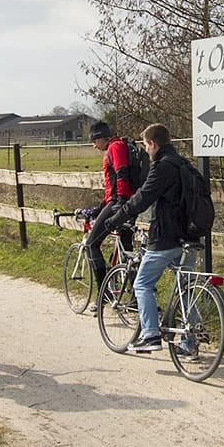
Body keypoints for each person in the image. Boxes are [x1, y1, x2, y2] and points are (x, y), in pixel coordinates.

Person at [97, 123, 191, 354]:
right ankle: (190, 341)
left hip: (167, 235)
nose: (146, 151)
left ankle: (150, 335)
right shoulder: (183, 163)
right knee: (186, 286)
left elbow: (142, 198)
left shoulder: (161, 167)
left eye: (146, 146)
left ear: (153, 144)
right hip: (191, 233)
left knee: (142, 283)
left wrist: (116, 219)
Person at [82, 120, 139, 316]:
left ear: (101, 138)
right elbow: (113, 182)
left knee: (91, 244)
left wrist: (120, 203)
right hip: (121, 201)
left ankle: (103, 295)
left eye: (94, 141)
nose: (93, 145)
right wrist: (101, 207)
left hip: (119, 202)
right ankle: (135, 300)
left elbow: (121, 174)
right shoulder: (118, 146)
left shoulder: (114, 147)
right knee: (127, 252)